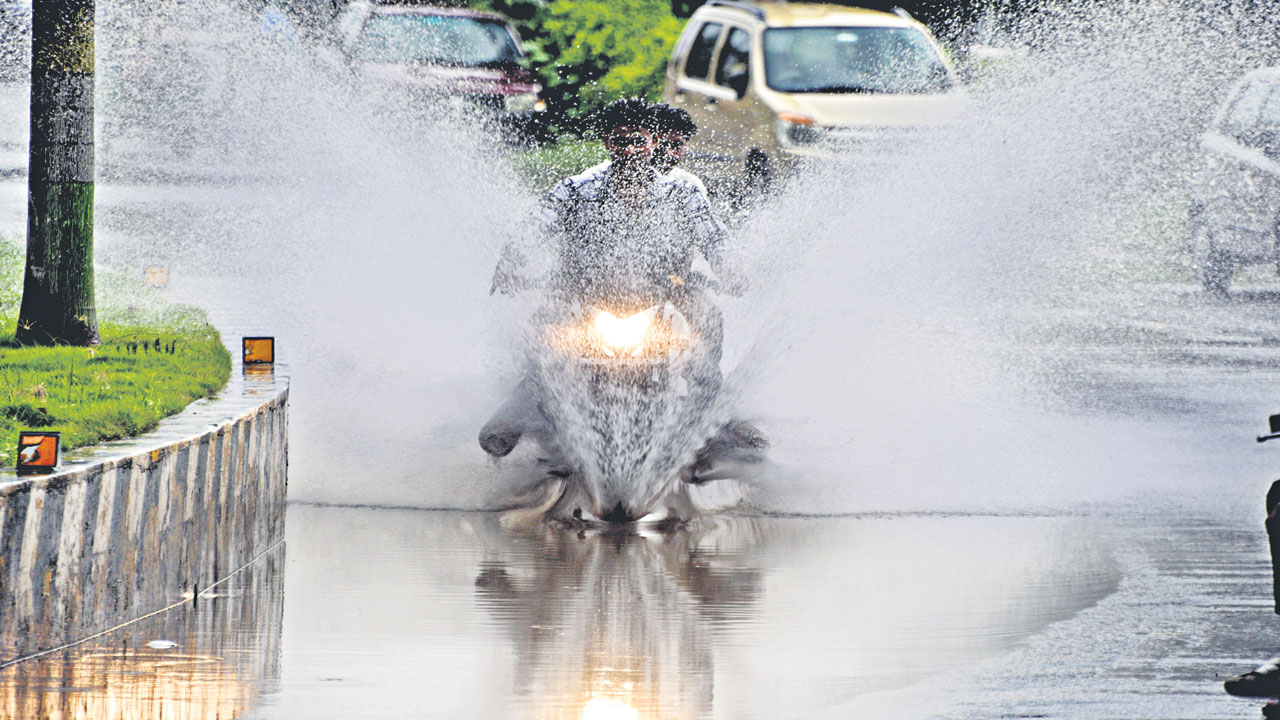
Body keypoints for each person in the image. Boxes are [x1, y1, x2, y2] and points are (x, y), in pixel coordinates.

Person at [481, 98, 739, 458]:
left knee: (706, 319)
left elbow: (714, 236)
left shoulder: (682, 192)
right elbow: (536, 224)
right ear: (607, 142)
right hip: (582, 296)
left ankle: (714, 420)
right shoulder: (577, 189)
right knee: (544, 336)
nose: (631, 150)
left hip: (660, 295)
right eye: (621, 141)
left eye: (640, 140)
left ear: (654, 142)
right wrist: (512, 260)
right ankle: (520, 413)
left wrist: (730, 268)